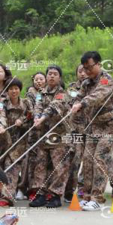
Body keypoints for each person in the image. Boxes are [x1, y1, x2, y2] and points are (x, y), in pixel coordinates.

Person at [71, 51, 113, 211]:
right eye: (85, 68)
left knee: (99, 157)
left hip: (111, 127)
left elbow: (98, 95)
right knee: (87, 159)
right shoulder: (86, 83)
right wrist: (75, 104)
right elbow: (78, 97)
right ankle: (87, 196)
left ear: (99, 64)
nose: (87, 71)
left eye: (90, 67)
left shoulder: (106, 79)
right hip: (94, 127)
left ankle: (97, 198)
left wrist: (82, 104)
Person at [29, 65, 72, 208]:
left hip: (58, 135)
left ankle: (55, 195)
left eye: (55, 74)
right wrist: (36, 117)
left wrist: (42, 118)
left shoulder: (62, 93)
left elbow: (54, 107)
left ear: (59, 77)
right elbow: (38, 105)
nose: (52, 76)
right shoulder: (41, 92)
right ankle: (40, 193)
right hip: (43, 134)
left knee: (59, 166)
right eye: (49, 74)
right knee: (40, 165)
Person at [0, 78, 33, 206]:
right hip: (4, 139)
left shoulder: (26, 103)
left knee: (12, 166)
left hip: (19, 141)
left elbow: (30, 116)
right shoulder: (2, 103)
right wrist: (1, 126)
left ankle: (7, 197)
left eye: (16, 88)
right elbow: (1, 115)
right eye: (11, 89)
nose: (14, 91)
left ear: (20, 90)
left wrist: (22, 120)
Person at [20, 72, 47, 200]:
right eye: (36, 79)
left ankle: (38, 189)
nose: (39, 81)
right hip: (32, 131)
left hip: (45, 132)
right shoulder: (30, 94)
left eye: (41, 79)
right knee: (29, 160)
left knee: (40, 161)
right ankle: (24, 188)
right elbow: (31, 110)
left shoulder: (48, 93)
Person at [64, 64, 88, 203]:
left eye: (85, 71)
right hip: (75, 129)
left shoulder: (94, 86)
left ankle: (83, 188)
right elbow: (68, 103)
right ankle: (69, 191)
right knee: (75, 160)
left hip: (91, 129)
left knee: (89, 161)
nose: (83, 74)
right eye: (80, 71)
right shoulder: (72, 88)